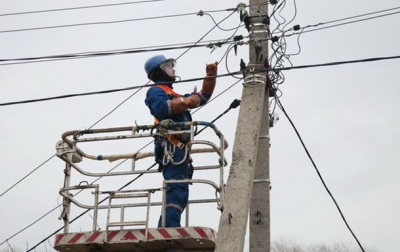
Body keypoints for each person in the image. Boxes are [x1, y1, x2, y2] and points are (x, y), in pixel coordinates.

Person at [144, 55, 218, 227]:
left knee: (179, 191)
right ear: (159, 70)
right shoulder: (156, 91)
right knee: (176, 189)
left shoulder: (173, 94)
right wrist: (186, 101)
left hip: (179, 151)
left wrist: (210, 76)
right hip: (171, 148)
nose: (173, 70)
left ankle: (166, 227)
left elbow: (202, 97)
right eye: (169, 66)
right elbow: (163, 108)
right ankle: (169, 229)